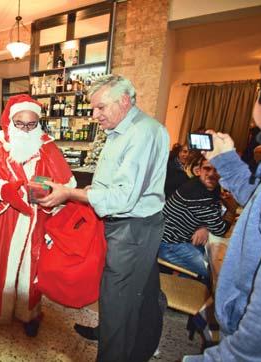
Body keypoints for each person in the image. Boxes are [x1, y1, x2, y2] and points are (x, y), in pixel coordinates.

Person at [39, 75, 169, 362]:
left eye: (100, 107)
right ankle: (138, 347)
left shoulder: (141, 133)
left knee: (116, 299)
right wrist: (91, 190)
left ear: (124, 101)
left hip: (133, 229)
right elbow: (115, 184)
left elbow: (123, 198)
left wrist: (70, 193)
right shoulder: (122, 130)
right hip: (135, 227)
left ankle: (114, 351)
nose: (95, 115)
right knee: (143, 294)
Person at [182, 59, 261, 361]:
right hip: (175, 243)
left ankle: (203, 320)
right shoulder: (199, 188)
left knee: (208, 265)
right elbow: (257, 200)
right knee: (206, 264)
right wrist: (226, 160)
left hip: (247, 335)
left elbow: (257, 339)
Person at [0, 94, 75, 336]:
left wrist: (50, 196)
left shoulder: (47, 145)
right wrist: (5, 190)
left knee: (32, 267)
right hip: (2, 221)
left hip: (37, 219)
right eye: (20, 124)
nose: (26, 130)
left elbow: (66, 184)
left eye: (31, 124)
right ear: (9, 121)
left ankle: (29, 313)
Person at [159, 158, 236, 281]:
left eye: (216, 170)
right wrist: (232, 210)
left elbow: (215, 211)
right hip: (169, 245)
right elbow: (220, 229)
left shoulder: (205, 186)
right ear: (199, 170)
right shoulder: (196, 194)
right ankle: (191, 296)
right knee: (217, 273)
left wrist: (205, 226)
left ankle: (188, 289)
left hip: (183, 239)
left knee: (218, 261)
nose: (211, 174)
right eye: (207, 168)